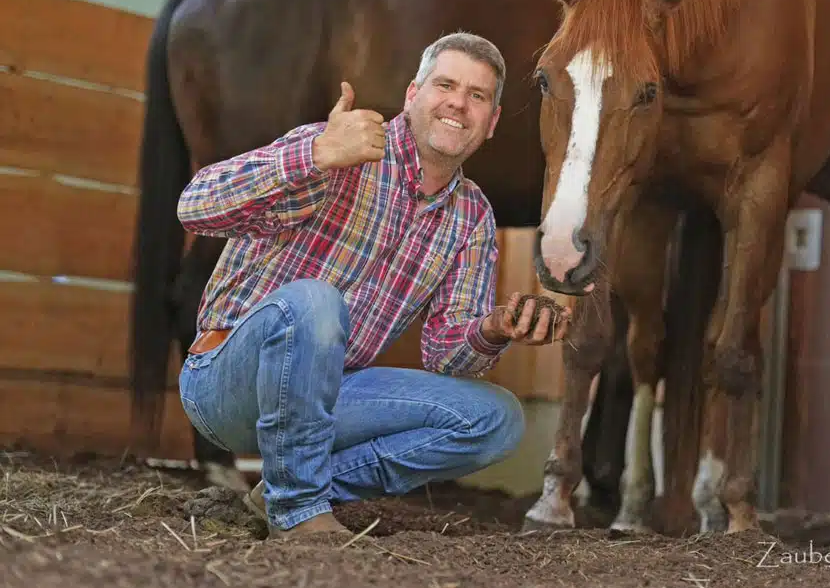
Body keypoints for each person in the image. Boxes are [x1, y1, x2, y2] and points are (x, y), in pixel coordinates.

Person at [175, 32, 570, 540]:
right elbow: (195, 206)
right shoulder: (343, 146)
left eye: (478, 96)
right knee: (316, 301)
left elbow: (445, 356)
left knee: (497, 419)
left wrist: (493, 327)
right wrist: (313, 155)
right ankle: (298, 513)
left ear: (491, 122)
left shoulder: (471, 214)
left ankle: (288, 488)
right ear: (412, 95)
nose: (458, 102)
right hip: (227, 384)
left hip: (327, 400)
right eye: (445, 84)